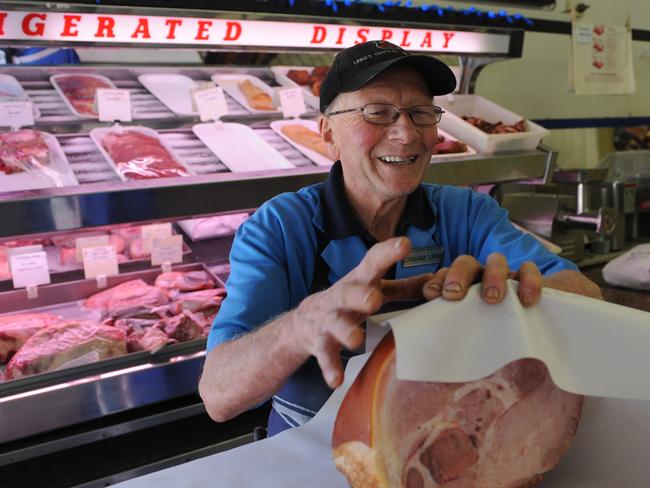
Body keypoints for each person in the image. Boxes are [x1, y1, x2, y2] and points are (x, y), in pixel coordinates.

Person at [199, 40, 601, 436]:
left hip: (432, 444)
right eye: (378, 113)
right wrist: (300, 326)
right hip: (308, 456)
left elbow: (583, 294)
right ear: (329, 135)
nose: (407, 134)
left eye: (420, 112)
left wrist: (513, 294)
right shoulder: (280, 228)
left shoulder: (466, 213)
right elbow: (218, 395)